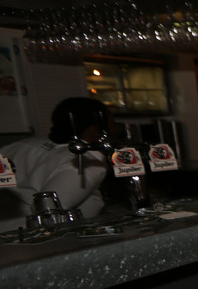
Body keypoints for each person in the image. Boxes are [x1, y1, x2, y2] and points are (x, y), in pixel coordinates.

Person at [0, 97, 115, 232]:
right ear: (94, 130)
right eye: (112, 123)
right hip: (22, 237)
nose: (117, 128)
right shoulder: (86, 164)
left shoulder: (21, 145)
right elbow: (48, 214)